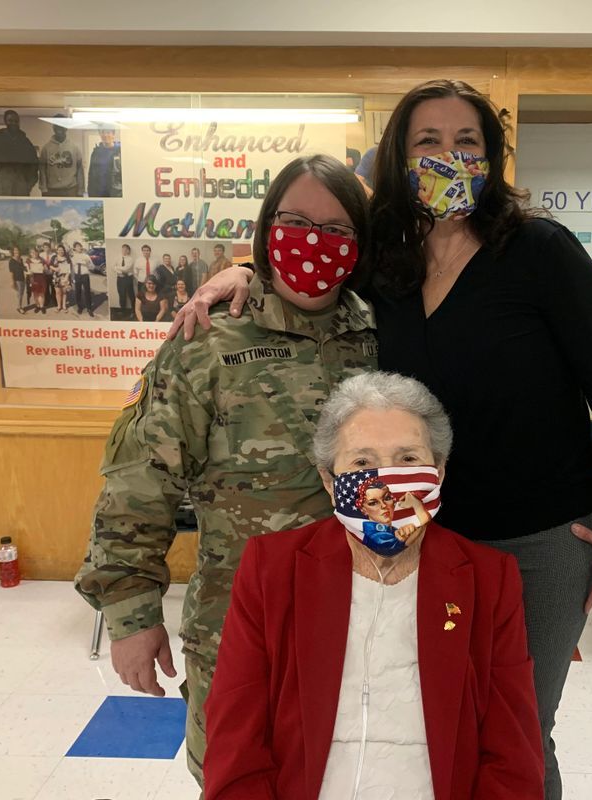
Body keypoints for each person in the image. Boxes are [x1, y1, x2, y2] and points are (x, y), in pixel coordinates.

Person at [172, 78, 592, 800]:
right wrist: (243, 271)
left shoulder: (539, 252)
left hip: (538, 539)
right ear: (398, 160)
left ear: (492, 155)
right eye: (427, 141)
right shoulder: (385, 264)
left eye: (465, 140)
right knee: (431, 721)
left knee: (521, 729)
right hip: (413, 533)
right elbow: (317, 258)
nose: (447, 155)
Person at [74, 153, 378, 789]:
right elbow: (139, 482)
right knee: (238, 776)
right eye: (296, 221)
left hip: (363, 627)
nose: (314, 241)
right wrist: (132, 615)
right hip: (240, 625)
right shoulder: (209, 337)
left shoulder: (382, 333)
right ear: (267, 226)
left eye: (337, 229)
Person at [203, 371, 544, 800]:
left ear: (438, 471)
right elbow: (237, 738)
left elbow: (512, 750)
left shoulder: (489, 579)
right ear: (330, 481)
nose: (387, 482)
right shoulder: (271, 569)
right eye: (363, 463)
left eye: (407, 459)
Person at [0, 109, 39, 196]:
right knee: (2, 209)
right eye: (10, 121)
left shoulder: (25, 142)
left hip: (21, 186)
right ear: (5, 122)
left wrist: (28, 184)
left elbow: (34, 164)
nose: (13, 123)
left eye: (16, 121)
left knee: (22, 209)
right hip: (1, 186)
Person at [38, 117, 84, 197]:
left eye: (62, 125)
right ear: (53, 127)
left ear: (66, 128)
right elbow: (42, 170)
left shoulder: (75, 148)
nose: (59, 128)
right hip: (51, 191)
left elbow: (80, 170)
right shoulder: (46, 148)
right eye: (56, 125)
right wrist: (44, 189)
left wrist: (80, 190)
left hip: (71, 190)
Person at [87, 126, 122, 197]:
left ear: (113, 134)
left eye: (108, 132)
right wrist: (90, 192)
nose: (105, 135)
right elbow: (91, 174)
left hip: (115, 193)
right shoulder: (95, 153)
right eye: (103, 132)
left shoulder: (120, 152)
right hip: (98, 193)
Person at [70, 241, 95, 316]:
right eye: (77, 246)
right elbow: (72, 269)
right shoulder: (73, 257)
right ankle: (80, 307)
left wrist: (87, 263)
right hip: (77, 275)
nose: (79, 248)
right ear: (74, 248)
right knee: (78, 292)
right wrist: (73, 278)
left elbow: (92, 267)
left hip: (85, 275)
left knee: (87, 292)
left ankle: (89, 308)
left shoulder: (86, 256)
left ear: (81, 247)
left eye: (80, 246)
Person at [113, 243, 136, 315]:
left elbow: (126, 269)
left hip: (128, 278)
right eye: (123, 249)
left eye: (126, 249)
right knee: (121, 295)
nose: (124, 250)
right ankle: (123, 311)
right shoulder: (117, 257)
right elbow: (112, 267)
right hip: (120, 279)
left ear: (128, 251)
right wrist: (119, 271)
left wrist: (117, 267)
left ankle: (133, 311)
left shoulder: (130, 259)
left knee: (131, 295)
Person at [50, 244, 72, 313]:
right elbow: (50, 265)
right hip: (56, 277)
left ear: (64, 251)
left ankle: (64, 306)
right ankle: (59, 306)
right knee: (58, 292)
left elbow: (69, 269)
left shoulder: (67, 258)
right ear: (57, 251)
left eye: (62, 250)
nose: (60, 251)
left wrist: (67, 277)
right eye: (59, 250)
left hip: (65, 277)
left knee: (64, 292)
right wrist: (55, 268)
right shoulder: (54, 257)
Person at [27, 246, 49, 313]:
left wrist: (44, 268)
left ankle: (42, 306)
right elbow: (26, 270)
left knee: (41, 293)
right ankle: (37, 306)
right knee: (35, 293)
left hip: (41, 278)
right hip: (33, 278)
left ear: (37, 253)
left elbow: (46, 269)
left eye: (35, 252)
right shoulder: (28, 260)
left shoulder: (42, 260)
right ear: (30, 253)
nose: (34, 254)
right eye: (32, 253)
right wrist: (29, 272)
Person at [7, 245, 28, 314]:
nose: (17, 252)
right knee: (19, 294)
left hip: (22, 278)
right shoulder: (11, 261)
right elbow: (11, 272)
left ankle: (19, 306)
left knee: (21, 293)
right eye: (15, 250)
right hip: (17, 279)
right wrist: (12, 281)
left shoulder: (20, 259)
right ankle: (19, 307)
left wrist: (28, 268)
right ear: (13, 252)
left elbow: (23, 268)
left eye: (18, 250)